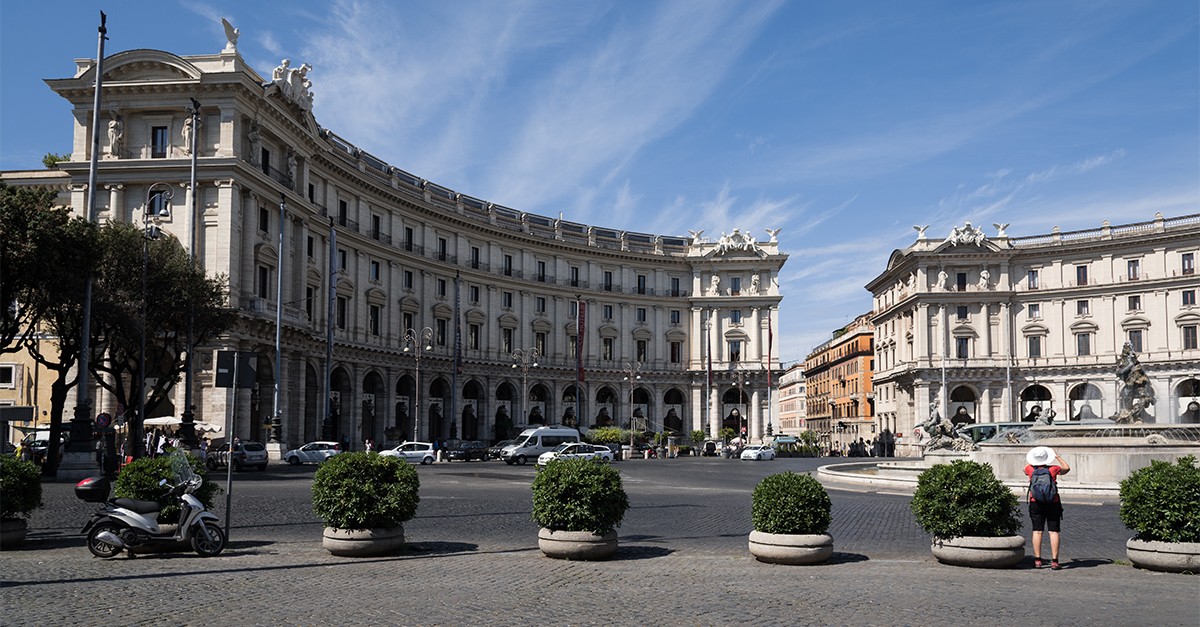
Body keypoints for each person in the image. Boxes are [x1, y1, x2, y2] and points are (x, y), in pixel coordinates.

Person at [1024, 445, 1071, 570]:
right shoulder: (1054, 469)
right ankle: (1055, 561)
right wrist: (1057, 456)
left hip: (1035, 503)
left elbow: (1024, 469)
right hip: (1053, 502)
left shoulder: (1030, 469)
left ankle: (1038, 560)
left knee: (1037, 531)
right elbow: (1067, 468)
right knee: (1053, 531)